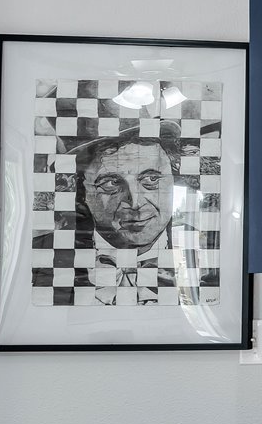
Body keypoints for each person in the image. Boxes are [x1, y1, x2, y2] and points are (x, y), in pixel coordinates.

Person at [71, 123, 185, 304]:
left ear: (174, 180)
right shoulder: (46, 257)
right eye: (110, 184)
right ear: (83, 193)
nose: (135, 202)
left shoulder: (205, 249)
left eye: (151, 179)